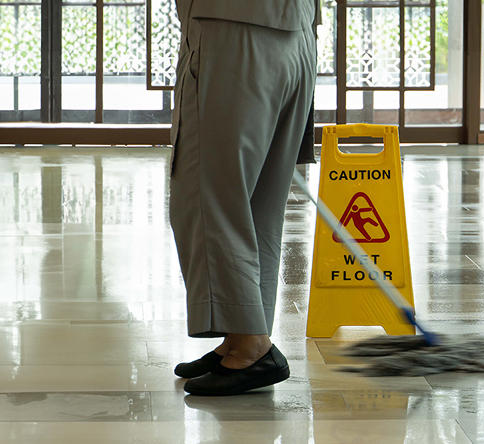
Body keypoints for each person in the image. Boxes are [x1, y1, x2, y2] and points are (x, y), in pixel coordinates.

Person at [168, 0, 318, 396]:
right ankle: (241, 337)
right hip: (297, 34)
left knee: (208, 198)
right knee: (258, 205)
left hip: (231, 30)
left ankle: (252, 346)